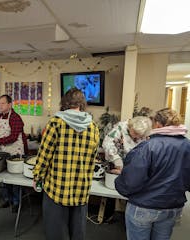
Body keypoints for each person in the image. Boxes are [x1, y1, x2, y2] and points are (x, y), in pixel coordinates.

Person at [32, 88, 99, 240]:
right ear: (82, 104)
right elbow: (92, 158)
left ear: (64, 103)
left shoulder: (56, 123)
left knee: (56, 232)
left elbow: (44, 155)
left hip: (57, 188)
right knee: (78, 233)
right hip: (81, 189)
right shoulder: (93, 127)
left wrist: (37, 176)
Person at [115, 108, 190, 240]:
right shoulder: (187, 146)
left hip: (144, 207)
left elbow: (130, 182)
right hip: (172, 207)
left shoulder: (148, 147)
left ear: (158, 124)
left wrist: (118, 183)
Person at [0, 94, 28, 212]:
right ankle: (7, 199)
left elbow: (13, 137)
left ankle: (16, 201)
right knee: (3, 176)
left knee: (15, 178)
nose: (0, 105)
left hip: (15, 152)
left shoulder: (16, 118)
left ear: (10, 104)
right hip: (2, 151)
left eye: (2, 103)